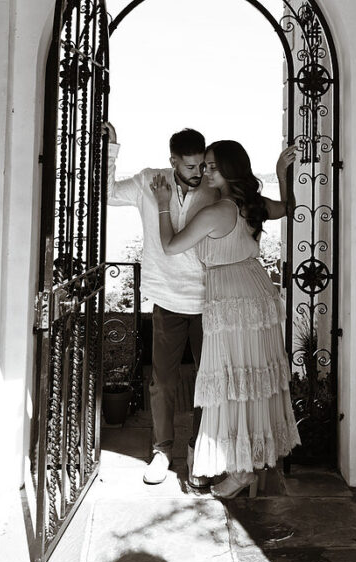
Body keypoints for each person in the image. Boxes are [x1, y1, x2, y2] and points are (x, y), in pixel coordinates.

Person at [150, 140, 300, 499]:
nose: (206, 171)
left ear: (231, 169)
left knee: (231, 381)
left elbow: (170, 246)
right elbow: (288, 208)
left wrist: (162, 204)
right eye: (205, 165)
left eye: (213, 166)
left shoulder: (217, 211)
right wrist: (281, 174)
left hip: (231, 299)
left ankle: (241, 471)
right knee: (250, 379)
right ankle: (246, 465)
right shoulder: (253, 204)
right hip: (256, 291)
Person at [106, 125, 218, 487]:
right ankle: (162, 450)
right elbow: (108, 194)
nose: (198, 172)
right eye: (190, 166)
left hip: (209, 300)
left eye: (201, 165)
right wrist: (111, 148)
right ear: (173, 162)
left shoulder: (213, 187)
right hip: (167, 299)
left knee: (208, 381)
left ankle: (201, 449)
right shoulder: (148, 181)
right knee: (162, 382)